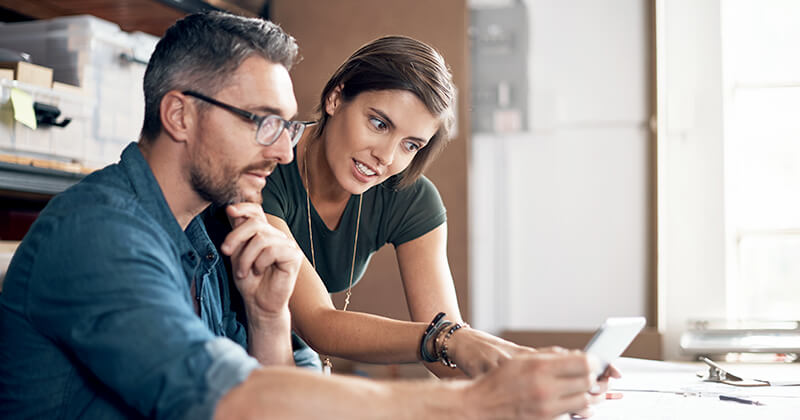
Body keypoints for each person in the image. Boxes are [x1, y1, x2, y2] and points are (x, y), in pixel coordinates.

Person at [0, 11, 609, 420]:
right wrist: (476, 402)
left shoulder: (208, 238)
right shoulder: (103, 235)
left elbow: (266, 385)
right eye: (263, 121)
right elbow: (230, 397)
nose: (285, 147)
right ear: (181, 116)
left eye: (286, 125)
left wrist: (267, 321)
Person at [216, 34, 595, 379]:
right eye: (379, 124)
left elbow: (445, 353)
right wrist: (452, 341)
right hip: (222, 343)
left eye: (410, 145)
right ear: (336, 97)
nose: (385, 157)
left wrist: (533, 374)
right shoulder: (267, 166)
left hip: (288, 354)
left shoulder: (411, 198)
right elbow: (319, 324)